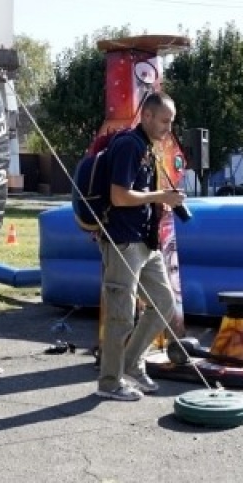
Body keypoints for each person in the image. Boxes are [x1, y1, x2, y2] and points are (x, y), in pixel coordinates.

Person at [95, 91, 188, 401]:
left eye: (171, 121)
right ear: (146, 116)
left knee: (164, 304)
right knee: (121, 315)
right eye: (164, 120)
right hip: (123, 241)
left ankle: (132, 364)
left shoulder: (148, 147)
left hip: (145, 242)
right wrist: (161, 198)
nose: (168, 127)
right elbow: (119, 196)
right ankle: (109, 383)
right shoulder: (127, 146)